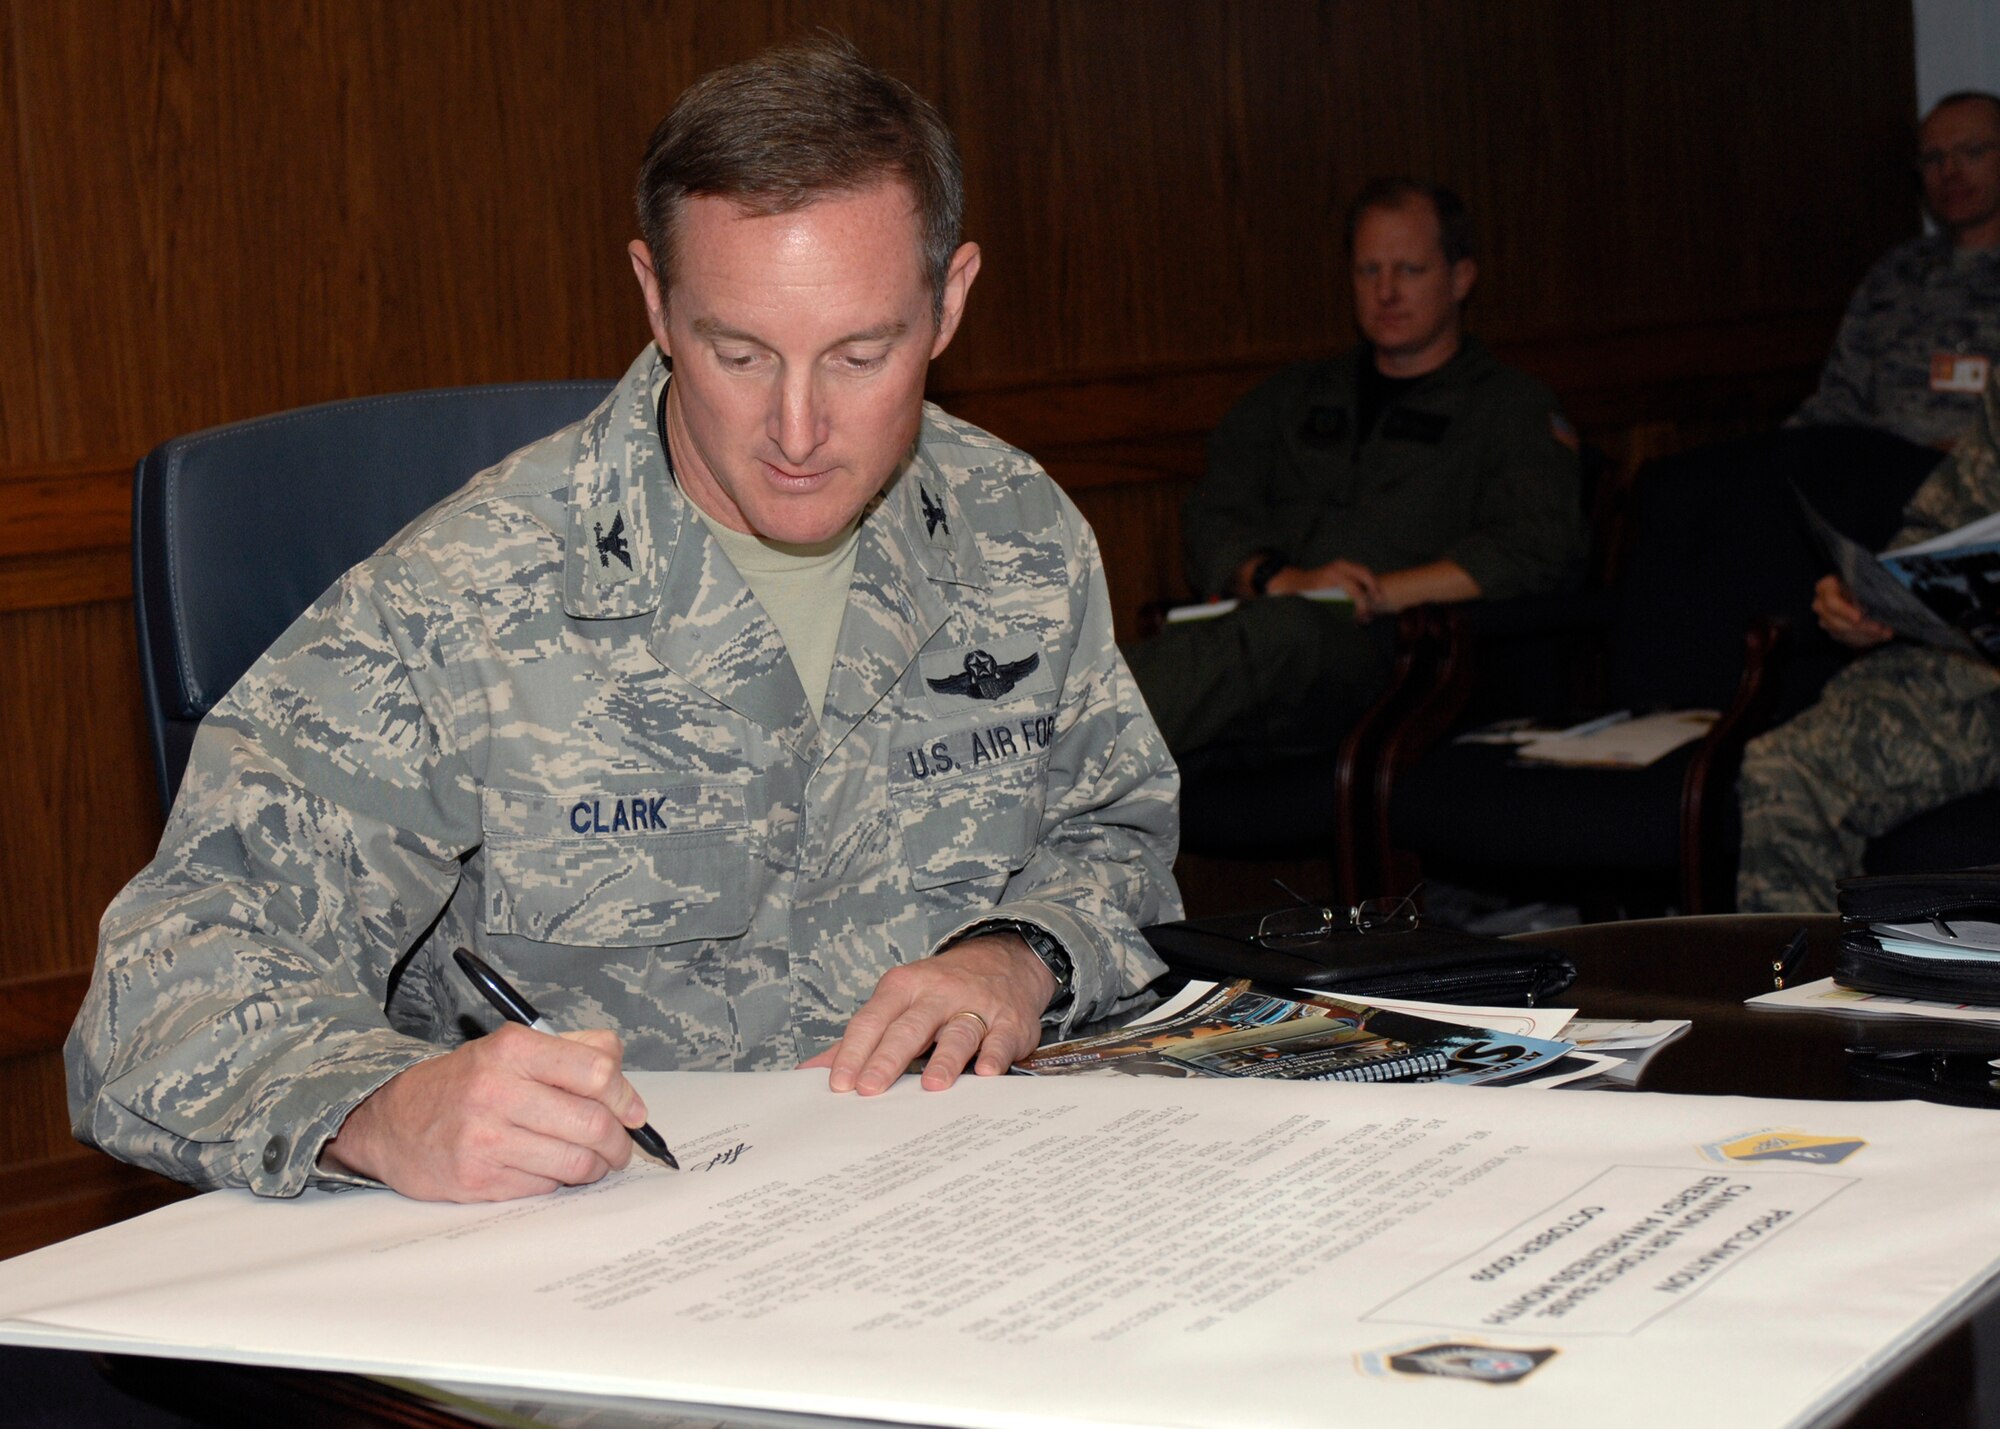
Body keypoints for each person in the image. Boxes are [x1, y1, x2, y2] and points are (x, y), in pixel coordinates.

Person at [66, 38, 1180, 1203]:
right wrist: (382, 1109)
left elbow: (1114, 835)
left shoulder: (1017, 533)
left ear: (948, 302)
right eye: (737, 351)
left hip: (961, 1207)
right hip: (604, 1257)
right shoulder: (467, 597)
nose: (796, 429)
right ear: (653, 297)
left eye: (860, 353)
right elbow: (158, 990)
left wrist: (1022, 954)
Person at [1125, 178, 1583, 760]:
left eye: (1409, 271)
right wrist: (1277, 579)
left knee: (1279, 635)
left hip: (1406, 658)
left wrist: (1375, 594)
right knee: (1219, 638)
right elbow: (1215, 511)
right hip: (1268, 629)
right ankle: (1025, 739)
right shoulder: (1295, 397)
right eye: (1369, 271)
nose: (1386, 292)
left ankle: (1033, 758)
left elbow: (1536, 546)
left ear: (1461, 277)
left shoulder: (1509, 408)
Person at [1738, 370, 2000, 913]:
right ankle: (1811, 993)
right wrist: (1875, 597)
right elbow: (1941, 531)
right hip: (1976, 673)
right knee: (1786, 770)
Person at [1789, 91, 2000, 449]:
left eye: (1972, 153)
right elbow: (1838, 406)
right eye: (1933, 159)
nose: (1949, 171)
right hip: (1881, 485)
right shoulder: (1895, 275)